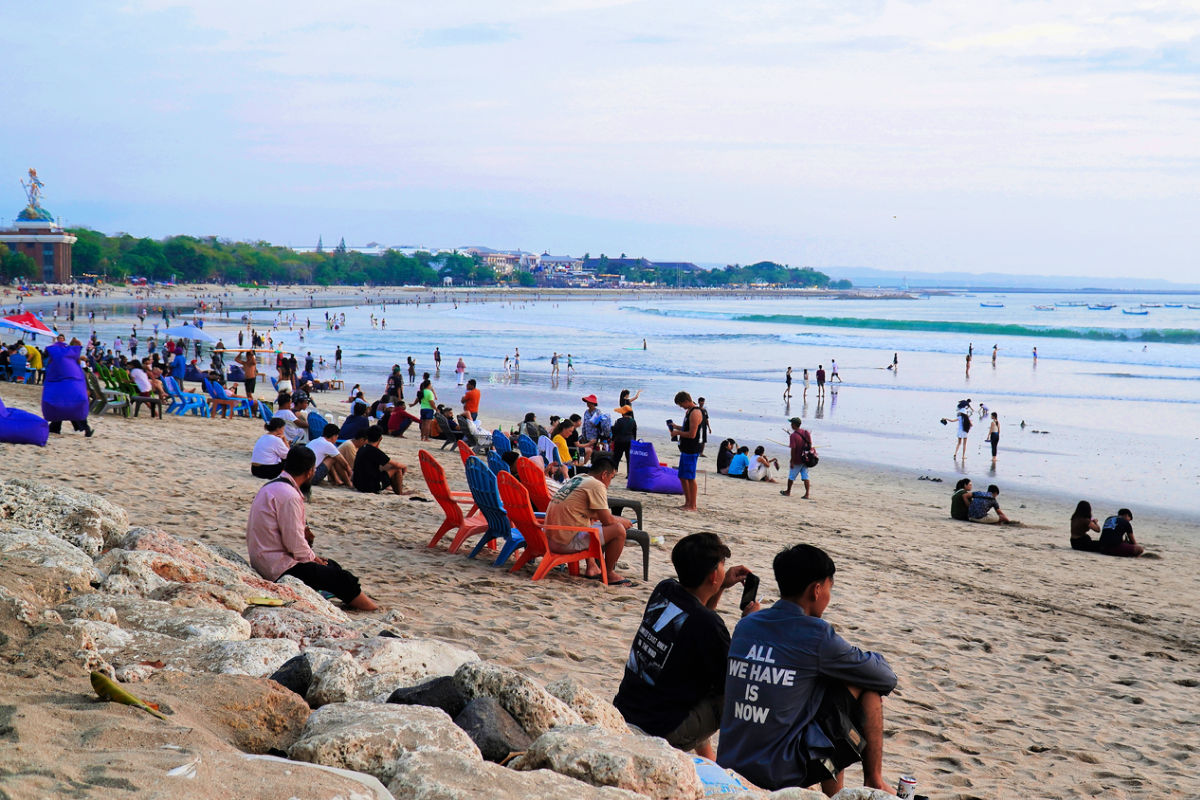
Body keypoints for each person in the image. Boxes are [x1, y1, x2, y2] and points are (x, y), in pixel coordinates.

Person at [718, 544, 896, 795]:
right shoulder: (817, 634)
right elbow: (886, 679)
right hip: (778, 772)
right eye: (829, 589)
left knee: (820, 683)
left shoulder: (747, 624)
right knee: (863, 685)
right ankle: (874, 780)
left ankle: (836, 792)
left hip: (731, 761)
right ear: (816, 589)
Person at [613, 532, 759, 760]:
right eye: (722, 566)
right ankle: (716, 762)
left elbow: (698, 616)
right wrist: (750, 625)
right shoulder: (708, 624)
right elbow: (733, 681)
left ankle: (708, 756)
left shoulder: (665, 589)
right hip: (660, 728)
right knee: (726, 693)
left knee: (697, 668)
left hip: (627, 706)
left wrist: (719, 586)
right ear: (713, 575)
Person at [246, 445, 378, 610]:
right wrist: (312, 558)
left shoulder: (271, 487)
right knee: (343, 578)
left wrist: (313, 557)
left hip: (264, 560)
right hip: (277, 568)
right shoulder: (289, 495)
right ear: (310, 472)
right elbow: (293, 543)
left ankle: (323, 592)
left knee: (332, 566)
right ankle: (372, 609)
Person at [545, 453, 631, 584]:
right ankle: (608, 573)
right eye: (611, 478)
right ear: (604, 475)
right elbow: (608, 521)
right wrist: (623, 521)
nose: (609, 483)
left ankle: (592, 567)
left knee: (590, 520)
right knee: (618, 530)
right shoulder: (597, 485)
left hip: (548, 538)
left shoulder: (579, 478)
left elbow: (592, 514)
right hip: (563, 542)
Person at [668, 391, 703, 511]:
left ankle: (692, 505)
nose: (681, 407)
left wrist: (677, 433)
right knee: (683, 476)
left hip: (692, 449)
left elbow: (692, 434)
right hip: (685, 448)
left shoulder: (695, 412)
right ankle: (687, 502)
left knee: (690, 477)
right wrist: (676, 426)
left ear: (686, 401)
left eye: (681, 404)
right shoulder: (689, 412)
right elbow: (688, 428)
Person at [352, 426, 409, 495]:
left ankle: (395, 488)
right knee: (397, 469)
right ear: (380, 438)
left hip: (358, 484)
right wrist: (404, 467)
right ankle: (400, 493)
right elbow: (396, 464)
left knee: (388, 467)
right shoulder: (375, 451)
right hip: (369, 487)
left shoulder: (362, 448)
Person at [780, 417, 815, 499]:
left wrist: (792, 460)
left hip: (797, 459)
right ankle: (807, 494)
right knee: (805, 476)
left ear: (794, 425)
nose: (791, 425)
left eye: (791, 423)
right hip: (806, 459)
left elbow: (793, 449)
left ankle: (788, 491)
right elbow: (810, 444)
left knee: (791, 476)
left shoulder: (793, 436)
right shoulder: (806, 433)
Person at [307, 423, 351, 487]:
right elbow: (343, 462)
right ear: (334, 436)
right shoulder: (328, 444)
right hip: (312, 477)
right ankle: (348, 483)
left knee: (330, 456)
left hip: (304, 475)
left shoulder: (315, 441)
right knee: (333, 458)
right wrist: (349, 470)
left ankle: (337, 480)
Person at [611, 405, 637, 474]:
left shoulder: (619, 421)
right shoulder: (633, 421)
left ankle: (614, 471)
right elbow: (634, 432)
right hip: (630, 441)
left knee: (616, 457)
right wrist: (634, 441)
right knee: (629, 458)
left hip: (619, 440)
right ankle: (629, 474)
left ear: (623, 413)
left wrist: (612, 439)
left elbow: (615, 431)